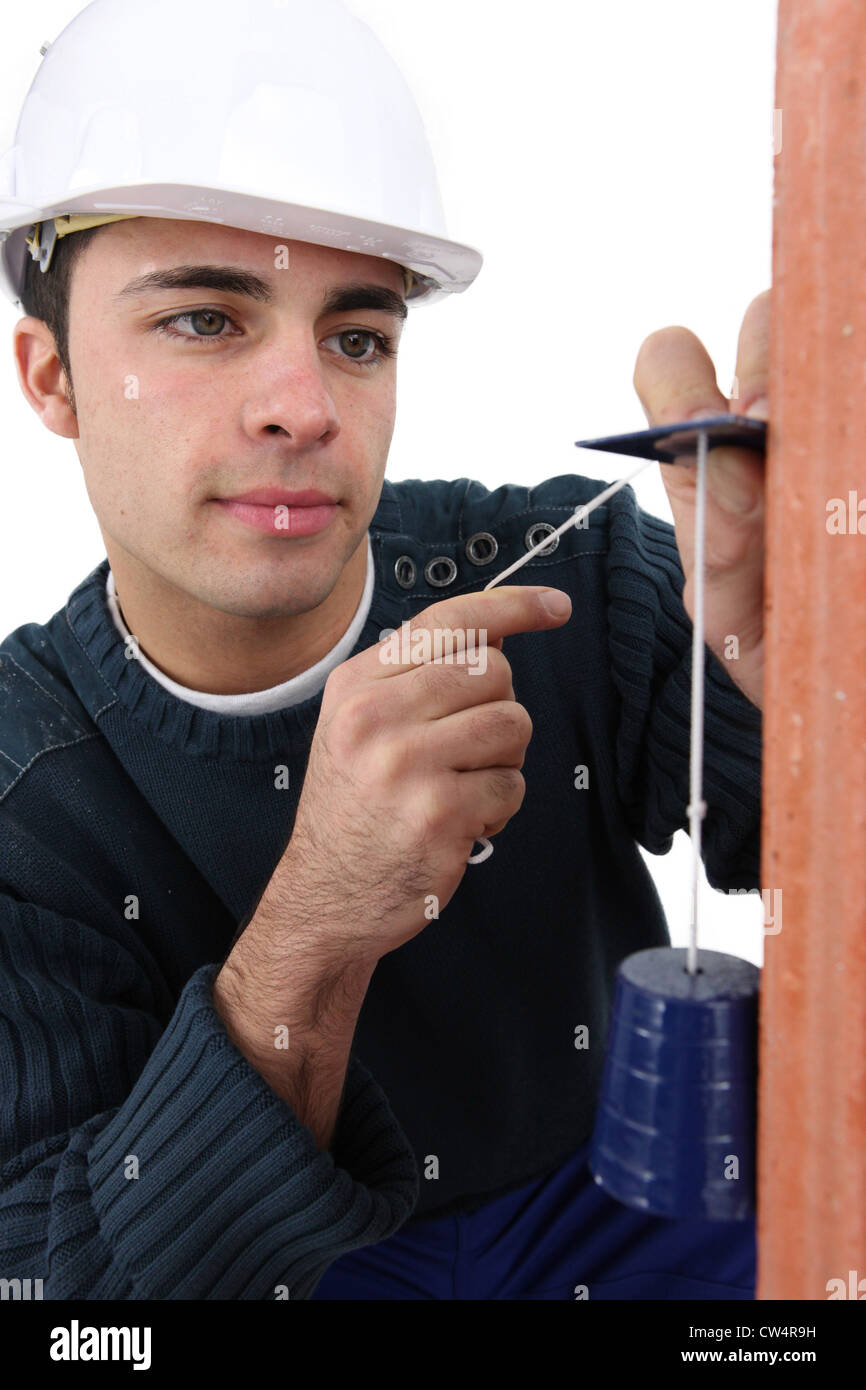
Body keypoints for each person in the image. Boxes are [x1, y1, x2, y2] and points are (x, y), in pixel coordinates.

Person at [0, 0, 765, 1299]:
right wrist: (316, 927)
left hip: (632, 1219)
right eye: (204, 319)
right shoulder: (27, 786)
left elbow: (806, 845)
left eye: (356, 336)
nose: (305, 405)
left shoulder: (568, 577)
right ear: (53, 376)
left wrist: (793, 678)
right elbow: (61, 1295)